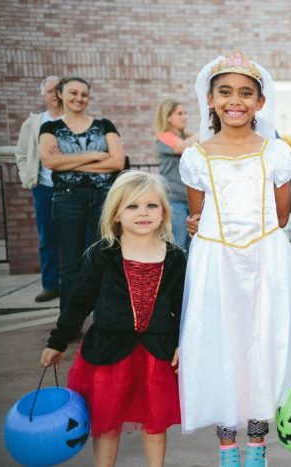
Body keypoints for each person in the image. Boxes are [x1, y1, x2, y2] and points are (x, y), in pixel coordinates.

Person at [177, 51, 291, 467]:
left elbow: (281, 215)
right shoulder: (196, 158)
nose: (236, 100)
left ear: (260, 102)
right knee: (220, 344)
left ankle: (257, 445)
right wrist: (200, 226)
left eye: (247, 93)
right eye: (225, 92)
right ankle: (227, 447)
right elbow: (198, 214)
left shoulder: (276, 153)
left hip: (264, 260)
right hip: (216, 263)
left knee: (259, 344)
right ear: (210, 99)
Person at [40, 171, 185, 467]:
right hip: (108, 353)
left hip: (157, 354)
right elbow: (79, 301)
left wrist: (183, 343)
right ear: (117, 213)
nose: (142, 213)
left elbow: (184, 307)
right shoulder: (101, 255)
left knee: (154, 423)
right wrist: (58, 341)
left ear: (163, 213)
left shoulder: (175, 257)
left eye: (151, 206)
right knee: (106, 424)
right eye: (132, 206)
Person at [39, 77, 126, 318]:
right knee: (70, 265)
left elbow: (117, 162)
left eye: (84, 94)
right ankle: (70, 321)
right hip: (67, 200)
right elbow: (50, 162)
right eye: (73, 93)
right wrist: (96, 155)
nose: (79, 98)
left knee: (103, 257)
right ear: (60, 94)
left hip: (102, 198)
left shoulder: (104, 124)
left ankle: (104, 318)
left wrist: (69, 163)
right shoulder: (50, 128)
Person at [15, 75, 62, 303]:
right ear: (43, 95)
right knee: (47, 238)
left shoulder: (72, 119)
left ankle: (76, 284)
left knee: (76, 238)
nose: (55, 94)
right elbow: (21, 153)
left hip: (71, 189)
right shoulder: (34, 122)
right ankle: (51, 285)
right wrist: (28, 178)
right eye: (50, 90)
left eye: (59, 90)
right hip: (43, 188)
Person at [153, 98, 199, 250]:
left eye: (185, 113)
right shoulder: (163, 137)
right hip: (174, 201)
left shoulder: (188, 137)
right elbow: (181, 147)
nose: (184, 116)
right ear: (168, 117)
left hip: (192, 200)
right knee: (177, 246)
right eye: (179, 113)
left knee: (193, 246)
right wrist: (205, 127)